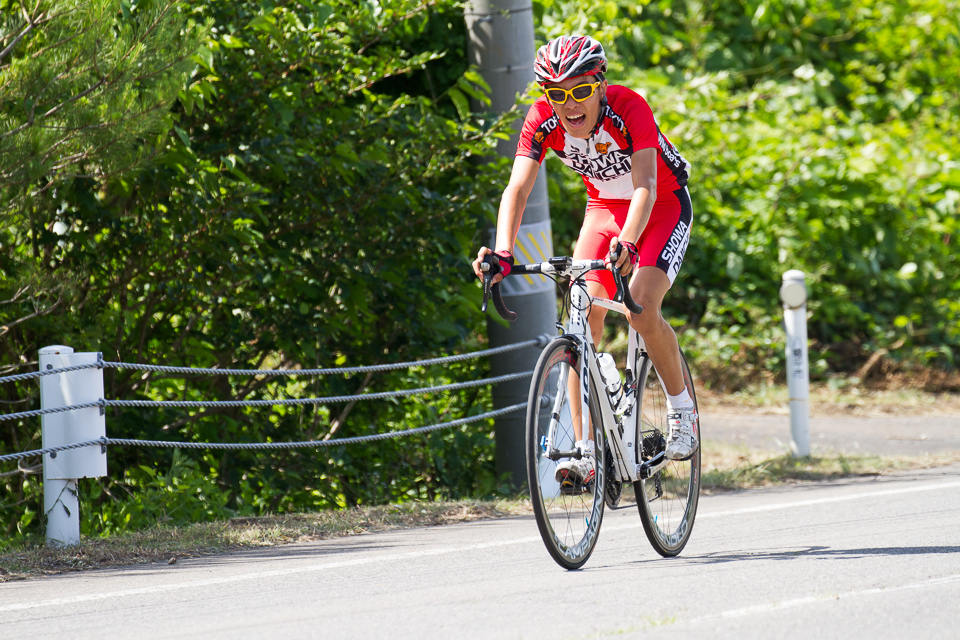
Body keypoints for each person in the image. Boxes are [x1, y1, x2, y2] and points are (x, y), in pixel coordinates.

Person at [471, 34, 699, 489]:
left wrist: (631, 242)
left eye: (579, 91)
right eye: (557, 94)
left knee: (641, 306)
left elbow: (647, 187)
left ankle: (682, 411)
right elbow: (516, 188)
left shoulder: (628, 106)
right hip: (602, 210)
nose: (569, 104)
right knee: (580, 315)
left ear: (599, 86)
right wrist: (501, 250)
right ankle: (586, 449)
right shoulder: (541, 120)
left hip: (659, 206)